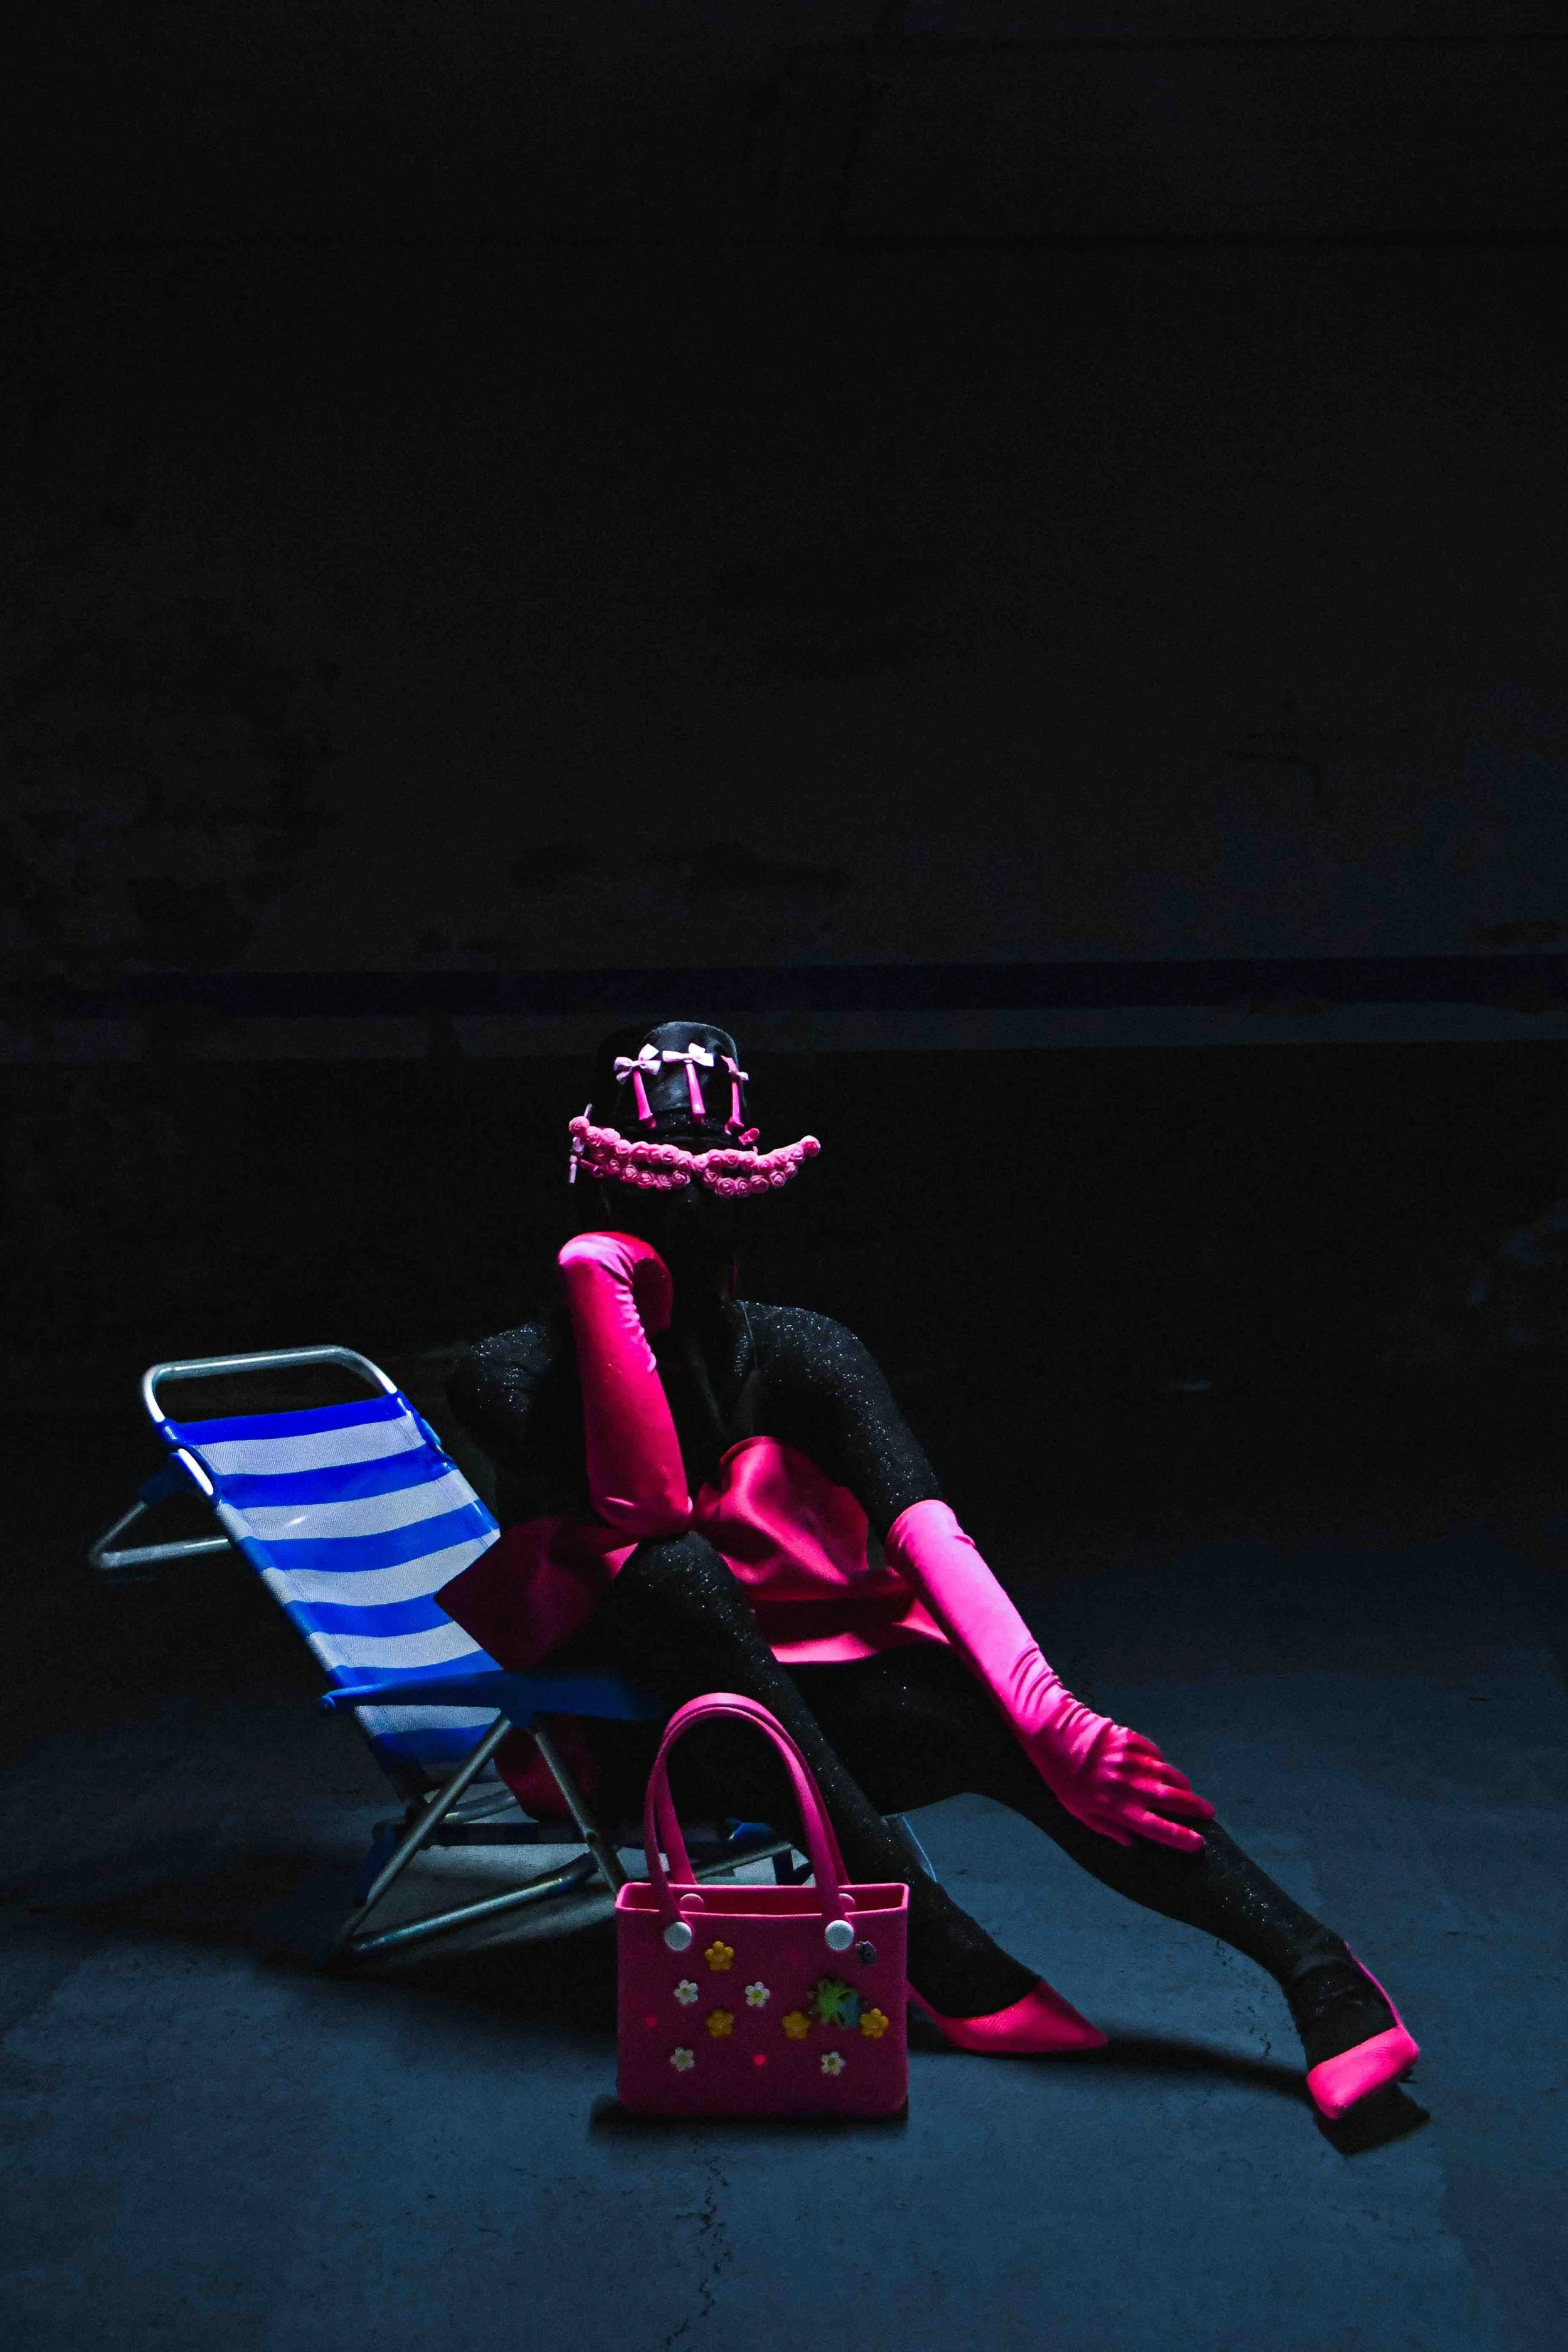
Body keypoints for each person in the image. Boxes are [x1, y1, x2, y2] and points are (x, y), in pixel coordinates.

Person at [438, 1020, 1417, 2119]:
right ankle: (940, 1947)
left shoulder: (800, 1348)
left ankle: (1318, 1969)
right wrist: (600, 1284)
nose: (689, 1223)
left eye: (716, 1193)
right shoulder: (504, 1376)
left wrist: (1052, 1718)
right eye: (656, 1196)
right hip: (636, 1745)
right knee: (670, 1571)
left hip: (798, 1743)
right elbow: (647, 1507)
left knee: (986, 1715)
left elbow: (926, 1528)